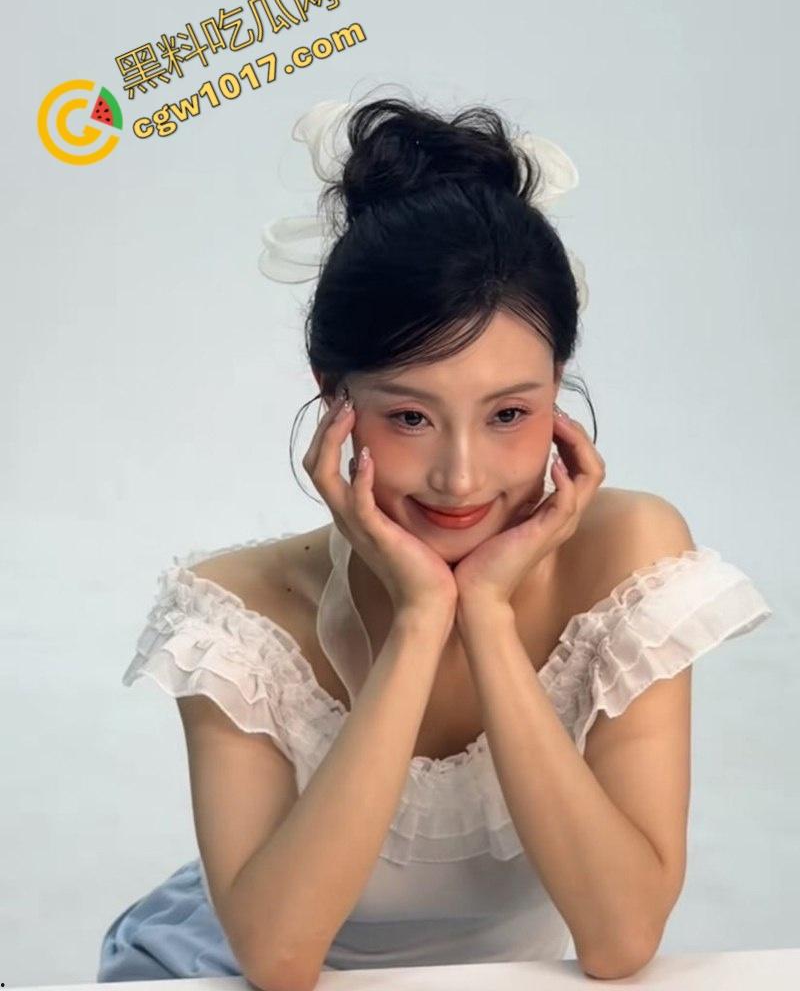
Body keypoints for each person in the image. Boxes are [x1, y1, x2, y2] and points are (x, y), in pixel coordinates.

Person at [97, 93, 773, 984]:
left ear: (558, 390)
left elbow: (620, 938)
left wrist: (485, 615)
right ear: (334, 396)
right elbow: (279, 959)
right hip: (213, 971)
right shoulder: (239, 615)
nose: (461, 477)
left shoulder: (628, 559)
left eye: (509, 414)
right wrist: (421, 620)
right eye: (411, 416)